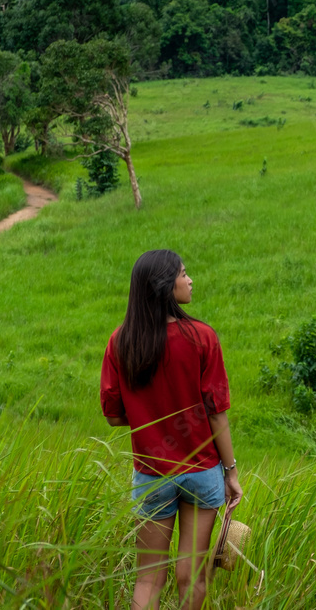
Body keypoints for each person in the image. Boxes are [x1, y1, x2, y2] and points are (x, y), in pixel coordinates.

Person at [100, 249, 243, 610]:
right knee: (191, 576)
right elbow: (216, 414)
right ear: (165, 286)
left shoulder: (121, 342)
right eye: (183, 273)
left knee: (149, 579)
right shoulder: (202, 338)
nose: (190, 279)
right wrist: (231, 471)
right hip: (201, 471)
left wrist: (152, 412)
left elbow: (114, 415)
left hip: (151, 474)